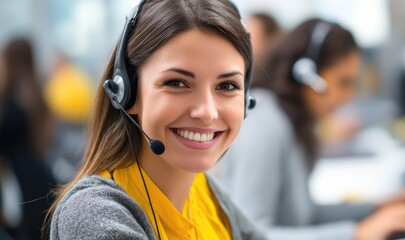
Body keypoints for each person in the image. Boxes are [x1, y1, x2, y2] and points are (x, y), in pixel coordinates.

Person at [46, 0, 263, 239]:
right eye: (177, 83)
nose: (207, 112)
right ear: (126, 92)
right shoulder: (92, 212)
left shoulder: (205, 191)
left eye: (227, 85)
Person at [215, 19, 405, 240]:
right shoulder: (268, 125)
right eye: (343, 82)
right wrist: (358, 234)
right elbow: (249, 236)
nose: (349, 97)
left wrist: (375, 208)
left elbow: (305, 214)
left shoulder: (293, 122)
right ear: (306, 74)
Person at [0, 38, 57, 240]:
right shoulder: (37, 95)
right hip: (41, 178)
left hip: (13, 183)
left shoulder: (7, 101)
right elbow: (48, 140)